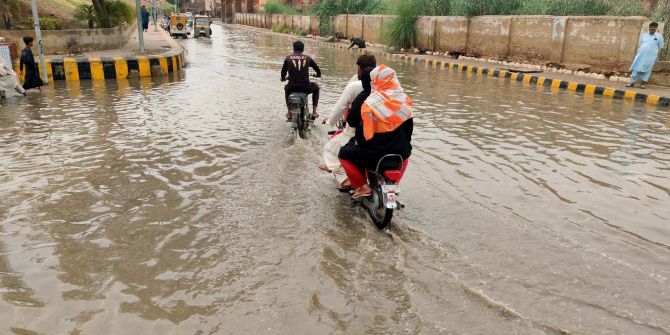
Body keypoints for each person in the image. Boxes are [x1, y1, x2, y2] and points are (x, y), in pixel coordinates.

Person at [338, 65, 414, 199]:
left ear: (376, 81)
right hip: (400, 152)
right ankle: (394, 184)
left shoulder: (369, 104)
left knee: (343, 153)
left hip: (374, 155)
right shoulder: (405, 101)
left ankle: (363, 186)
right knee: (406, 155)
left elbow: (364, 137)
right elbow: (409, 132)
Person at [320, 53, 377, 190]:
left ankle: (346, 179)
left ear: (360, 69)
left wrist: (330, 121)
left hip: (356, 131)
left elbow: (342, 107)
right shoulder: (384, 87)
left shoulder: (356, 86)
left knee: (330, 149)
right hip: (381, 133)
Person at [281, 40, 321, 120]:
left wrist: (283, 78)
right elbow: (317, 69)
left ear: (293, 49)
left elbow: (283, 72)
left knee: (286, 89)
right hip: (306, 87)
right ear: (303, 49)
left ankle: (289, 112)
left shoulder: (288, 58)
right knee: (316, 88)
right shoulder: (308, 58)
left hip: (292, 87)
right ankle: (314, 111)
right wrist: (318, 75)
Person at [626, 22, 664, 89]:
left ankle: (643, 84)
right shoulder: (644, 35)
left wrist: (658, 57)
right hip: (640, 55)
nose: (652, 28)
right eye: (651, 27)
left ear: (656, 28)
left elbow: (660, 47)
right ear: (649, 27)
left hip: (651, 57)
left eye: (654, 27)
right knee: (636, 68)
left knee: (647, 69)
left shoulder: (659, 37)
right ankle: (632, 83)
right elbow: (641, 45)